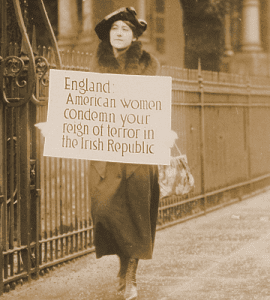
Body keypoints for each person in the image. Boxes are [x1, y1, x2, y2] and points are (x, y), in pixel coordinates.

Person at [89, 7, 160, 300]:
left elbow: (153, 106)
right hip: (106, 153)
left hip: (136, 153)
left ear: (133, 36)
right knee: (106, 209)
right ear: (108, 34)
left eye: (125, 29)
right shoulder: (96, 64)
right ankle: (122, 264)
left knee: (135, 212)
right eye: (115, 28)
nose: (119, 33)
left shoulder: (148, 64)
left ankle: (130, 275)